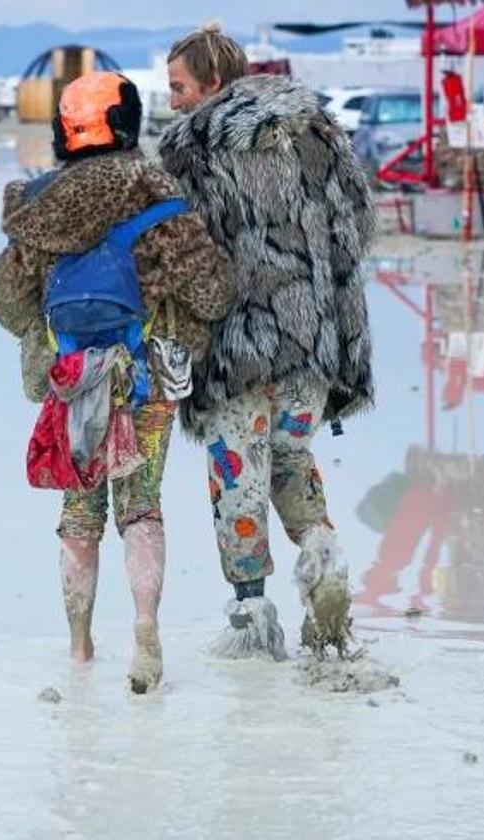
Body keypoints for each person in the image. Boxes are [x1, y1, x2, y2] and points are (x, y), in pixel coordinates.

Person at [0, 72, 233, 692]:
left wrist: (55, 343)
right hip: (146, 378)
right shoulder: (156, 194)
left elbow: (8, 303)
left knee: (78, 514)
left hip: (70, 383)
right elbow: (212, 289)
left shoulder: (37, 204)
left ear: (63, 130)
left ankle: (78, 650)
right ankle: (146, 629)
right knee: (142, 506)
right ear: (126, 123)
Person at [158, 24, 376, 659]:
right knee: (291, 460)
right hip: (314, 341)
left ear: (213, 84)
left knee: (238, 478)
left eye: (178, 87)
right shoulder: (318, 131)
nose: (171, 101)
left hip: (236, 347)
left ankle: (252, 615)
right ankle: (323, 557)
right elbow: (357, 226)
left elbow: (180, 259)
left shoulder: (192, 148)